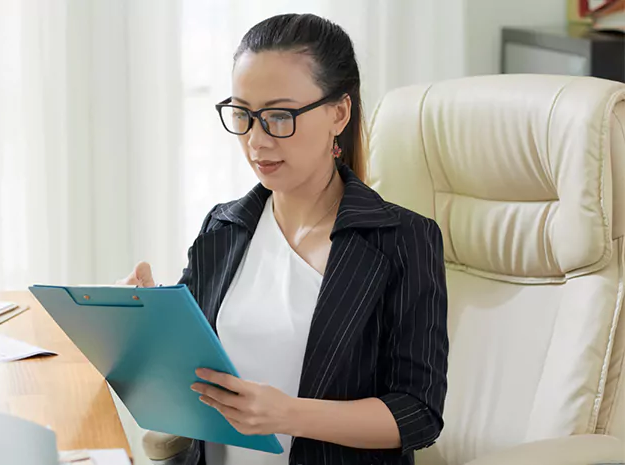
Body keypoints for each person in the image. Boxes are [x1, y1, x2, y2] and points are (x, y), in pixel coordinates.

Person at [120, 13, 449, 465]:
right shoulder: (223, 228)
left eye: (279, 116)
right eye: (243, 115)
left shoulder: (403, 240)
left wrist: (289, 415)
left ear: (339, 112)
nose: (256, 141)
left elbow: (419, 413)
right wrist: (142, 321)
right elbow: (188, 370)